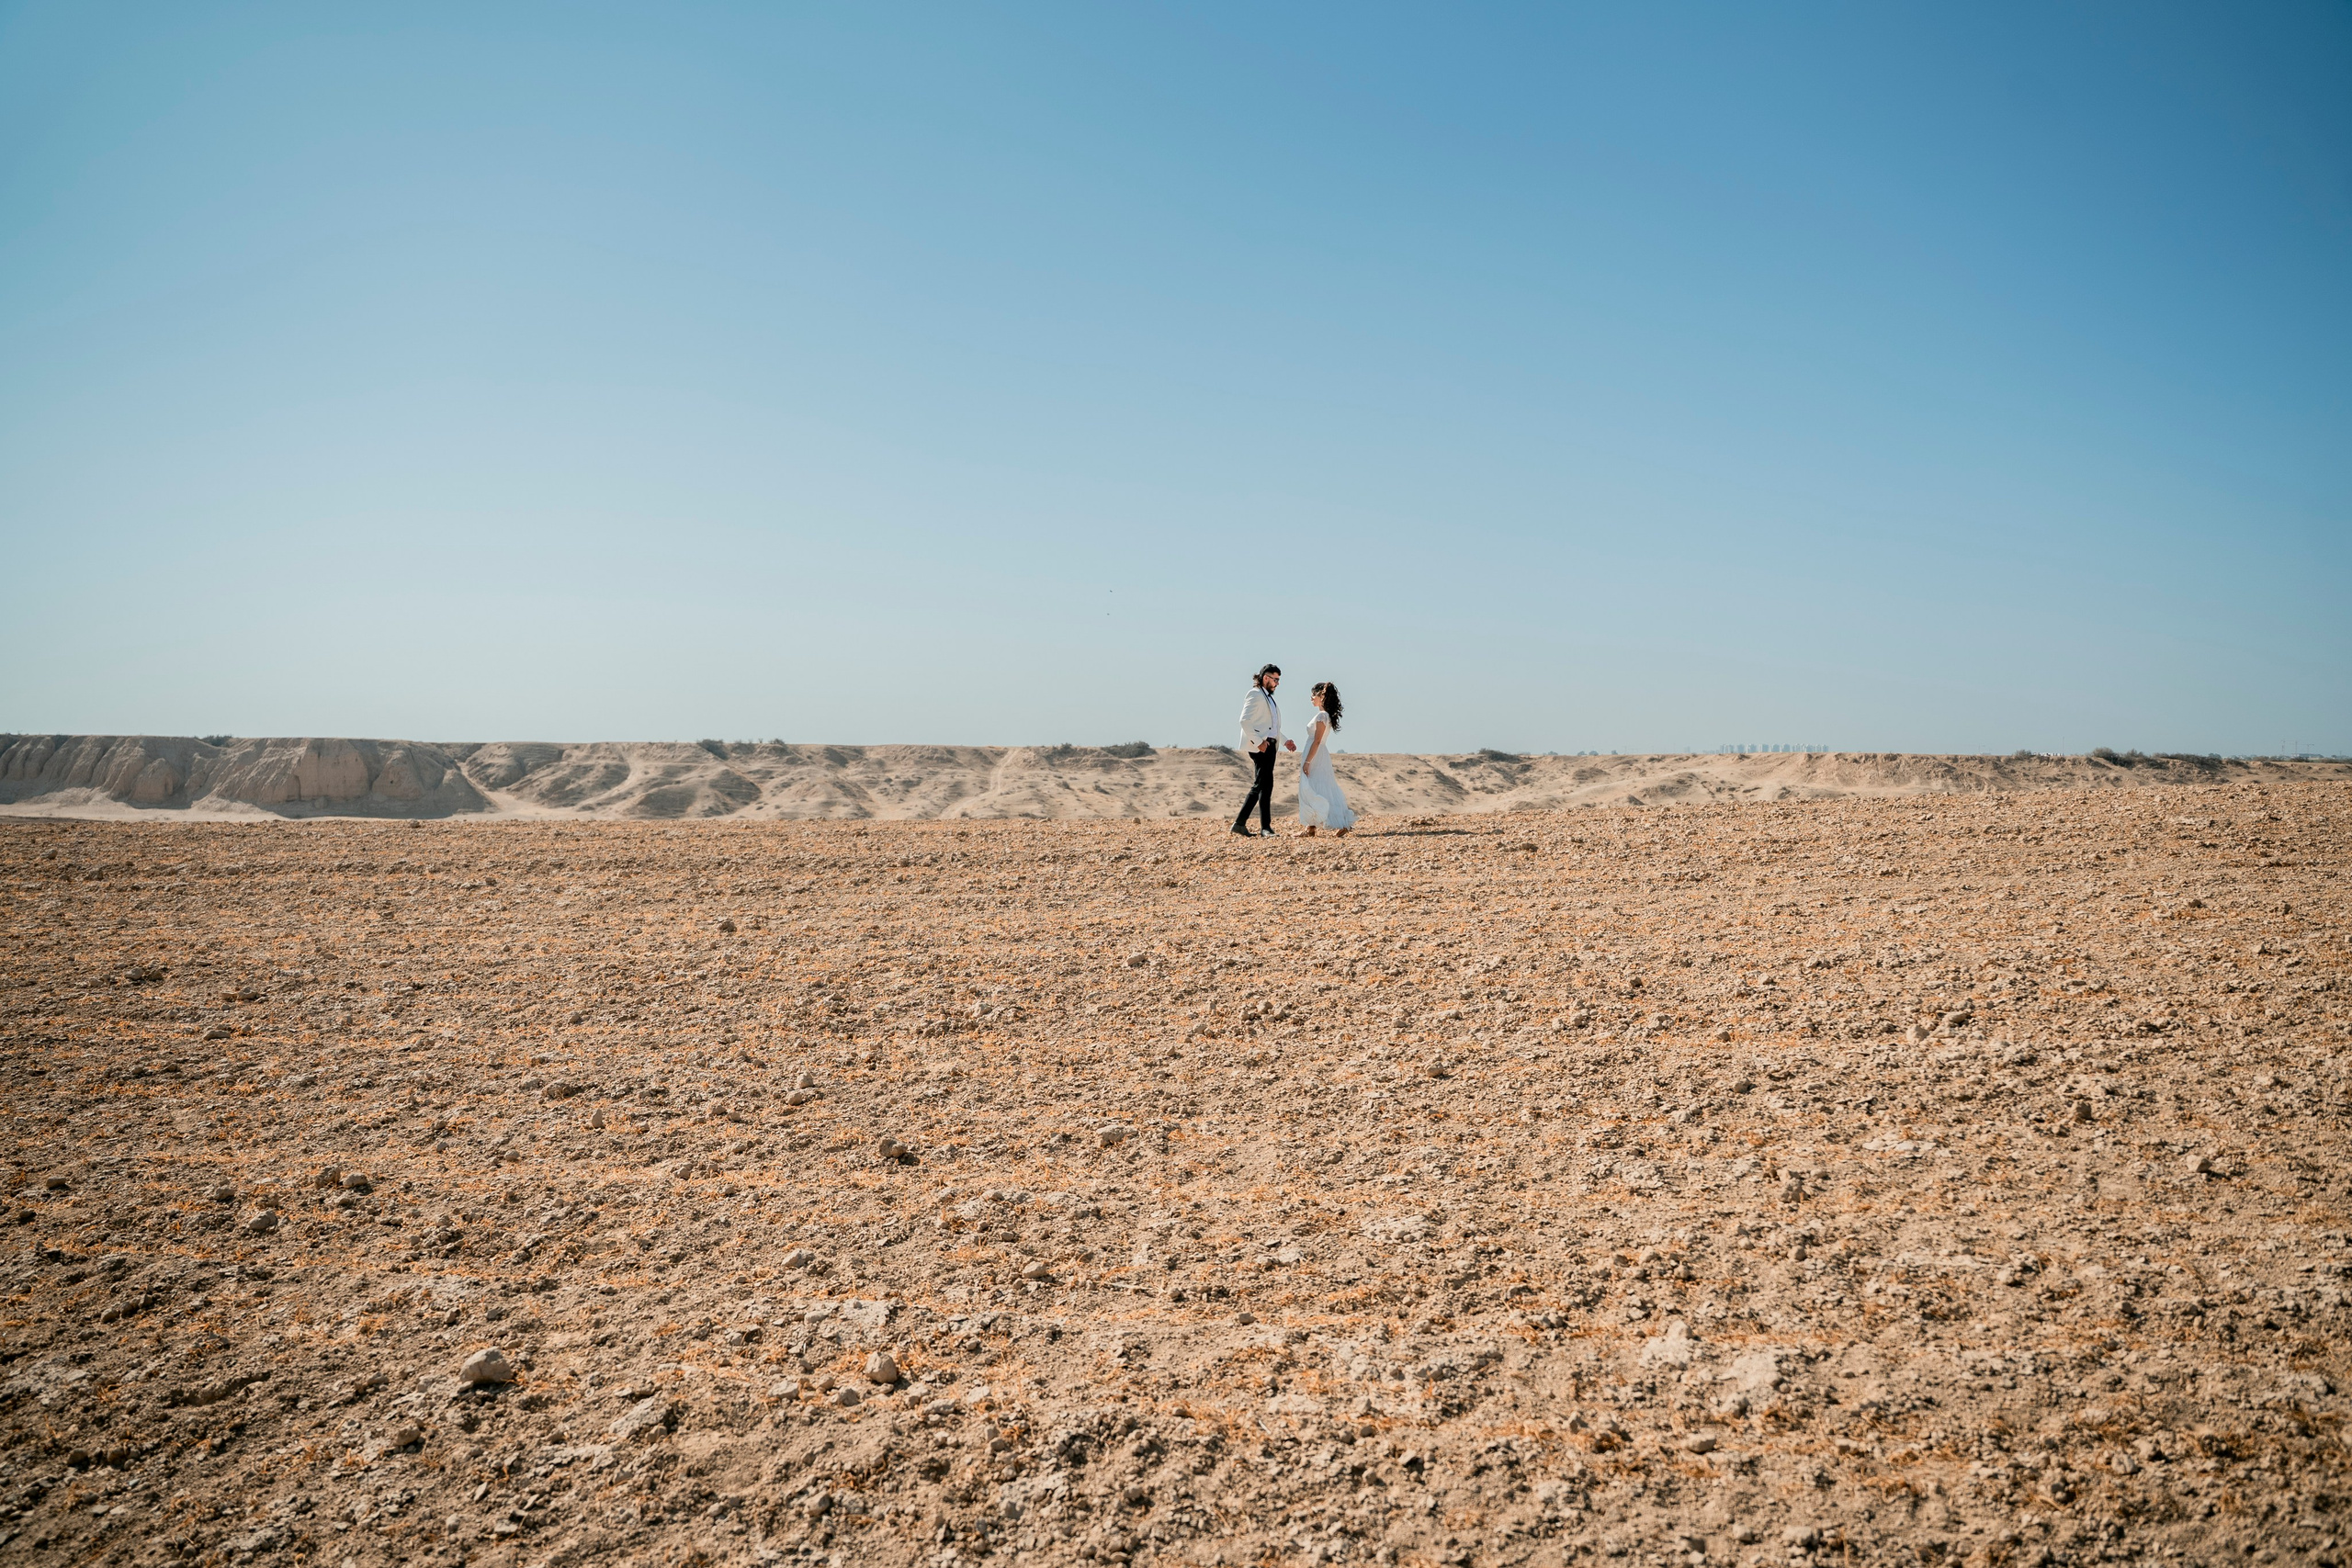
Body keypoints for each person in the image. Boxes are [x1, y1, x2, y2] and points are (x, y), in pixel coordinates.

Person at [1233, 663, 1295, 837]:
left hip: (1269, 745)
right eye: (1275, 680)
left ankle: (1249, 825)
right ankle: (1256, 826)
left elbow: (1271, 727)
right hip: (1261, 746)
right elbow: (1244, 721)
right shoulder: (1255, 694)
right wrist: (1258, 742)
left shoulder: (1268, 698)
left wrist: (1285, 741)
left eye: (1278, 680)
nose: (1277, 683)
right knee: (1262, 784)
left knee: (1265, 785)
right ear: (1265, 678)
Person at [1295, 682, 1357, 836]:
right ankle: (1311, 827)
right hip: (1317, 754)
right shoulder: (1324, 715)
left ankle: (1339, 823)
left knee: (1312, 788)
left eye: (1313, 695)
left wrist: (1308, 762)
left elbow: (1317, 741)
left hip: (1315, 756)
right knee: (1316, 788)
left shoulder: (1322, 716)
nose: (1311, 698)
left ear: (1321, 696)